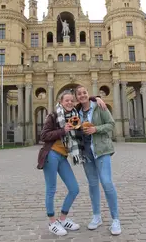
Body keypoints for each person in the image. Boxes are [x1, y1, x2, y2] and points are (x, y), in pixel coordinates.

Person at [37, 90, 106, 236]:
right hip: (51, 154)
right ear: (60, 102)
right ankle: (52, 222)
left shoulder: (75, 114)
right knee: (51, 189)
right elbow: (43, 135)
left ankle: (62, 219)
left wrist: (97, 98)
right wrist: (63, 130)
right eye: (66, 100)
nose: (69, 102)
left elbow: (85, 100)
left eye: (71, 100)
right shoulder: (53, 115)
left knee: (74, 188)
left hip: (62, 156)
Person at [75, 85, 121, 236]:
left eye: (84, 93)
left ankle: (115, 219)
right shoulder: (77, 112)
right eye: (79, 94)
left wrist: (96, 129)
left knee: (107, 182)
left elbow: (111, 124)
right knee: (93, 184)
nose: (82, 95)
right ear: (77, 97)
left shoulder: (99, 106)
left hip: (101, 150)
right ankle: (96, 216)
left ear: (88, 94)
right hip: (86, 152)